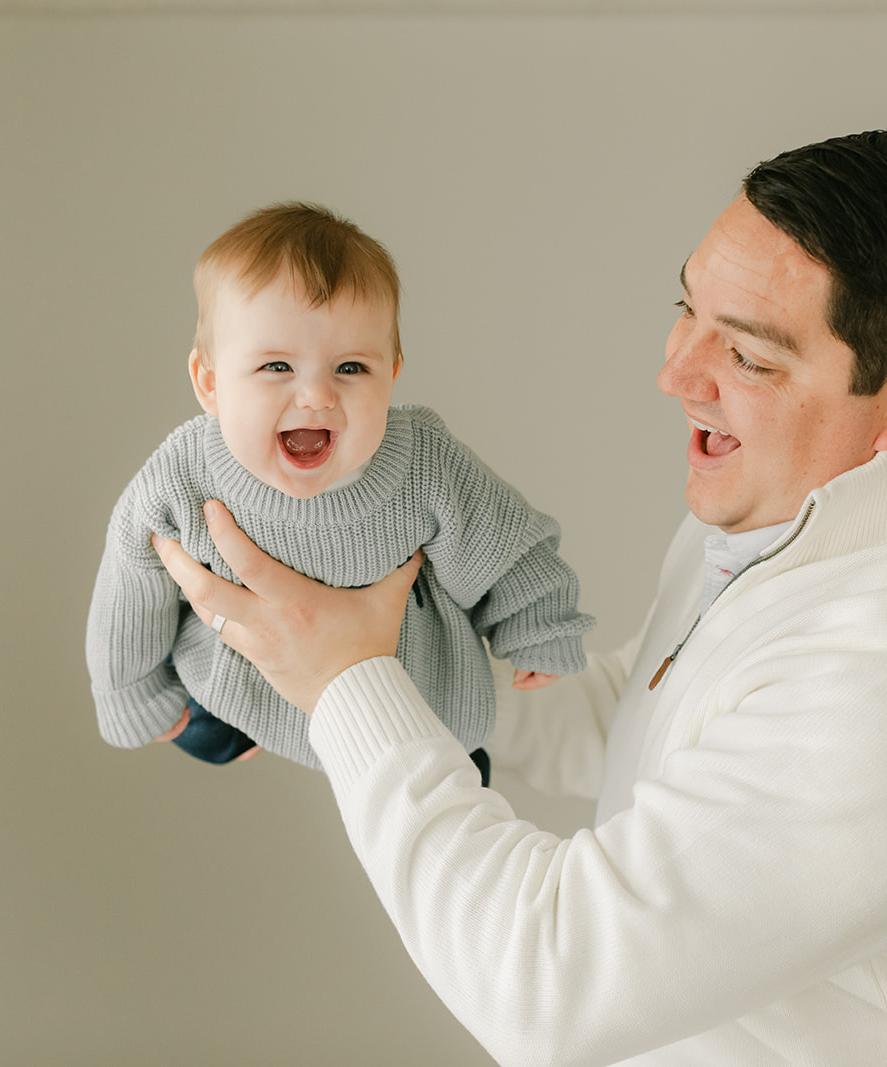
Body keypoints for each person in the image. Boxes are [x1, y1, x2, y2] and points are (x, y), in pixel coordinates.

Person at [152, 133, 887, 1065]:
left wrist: (347, 681)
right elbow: (653, 714)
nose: (676, 372)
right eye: (686, 309)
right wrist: (382, 653)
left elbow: (545, 985)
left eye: (750, 356)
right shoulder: (796, 504)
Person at [87, 202, 594, 775]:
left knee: (452, 762)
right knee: (201, 719)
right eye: (277, 366)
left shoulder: (423, 462)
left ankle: (447, 775)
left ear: (393, 375)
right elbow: (128, 588)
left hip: (412, 696)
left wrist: (539, 626)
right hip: (240, 691)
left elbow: (507, 546)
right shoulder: (181, 476)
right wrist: (130, 694)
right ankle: (222, 725)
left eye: (350, 368)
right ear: (209, 382)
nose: (317, 396)